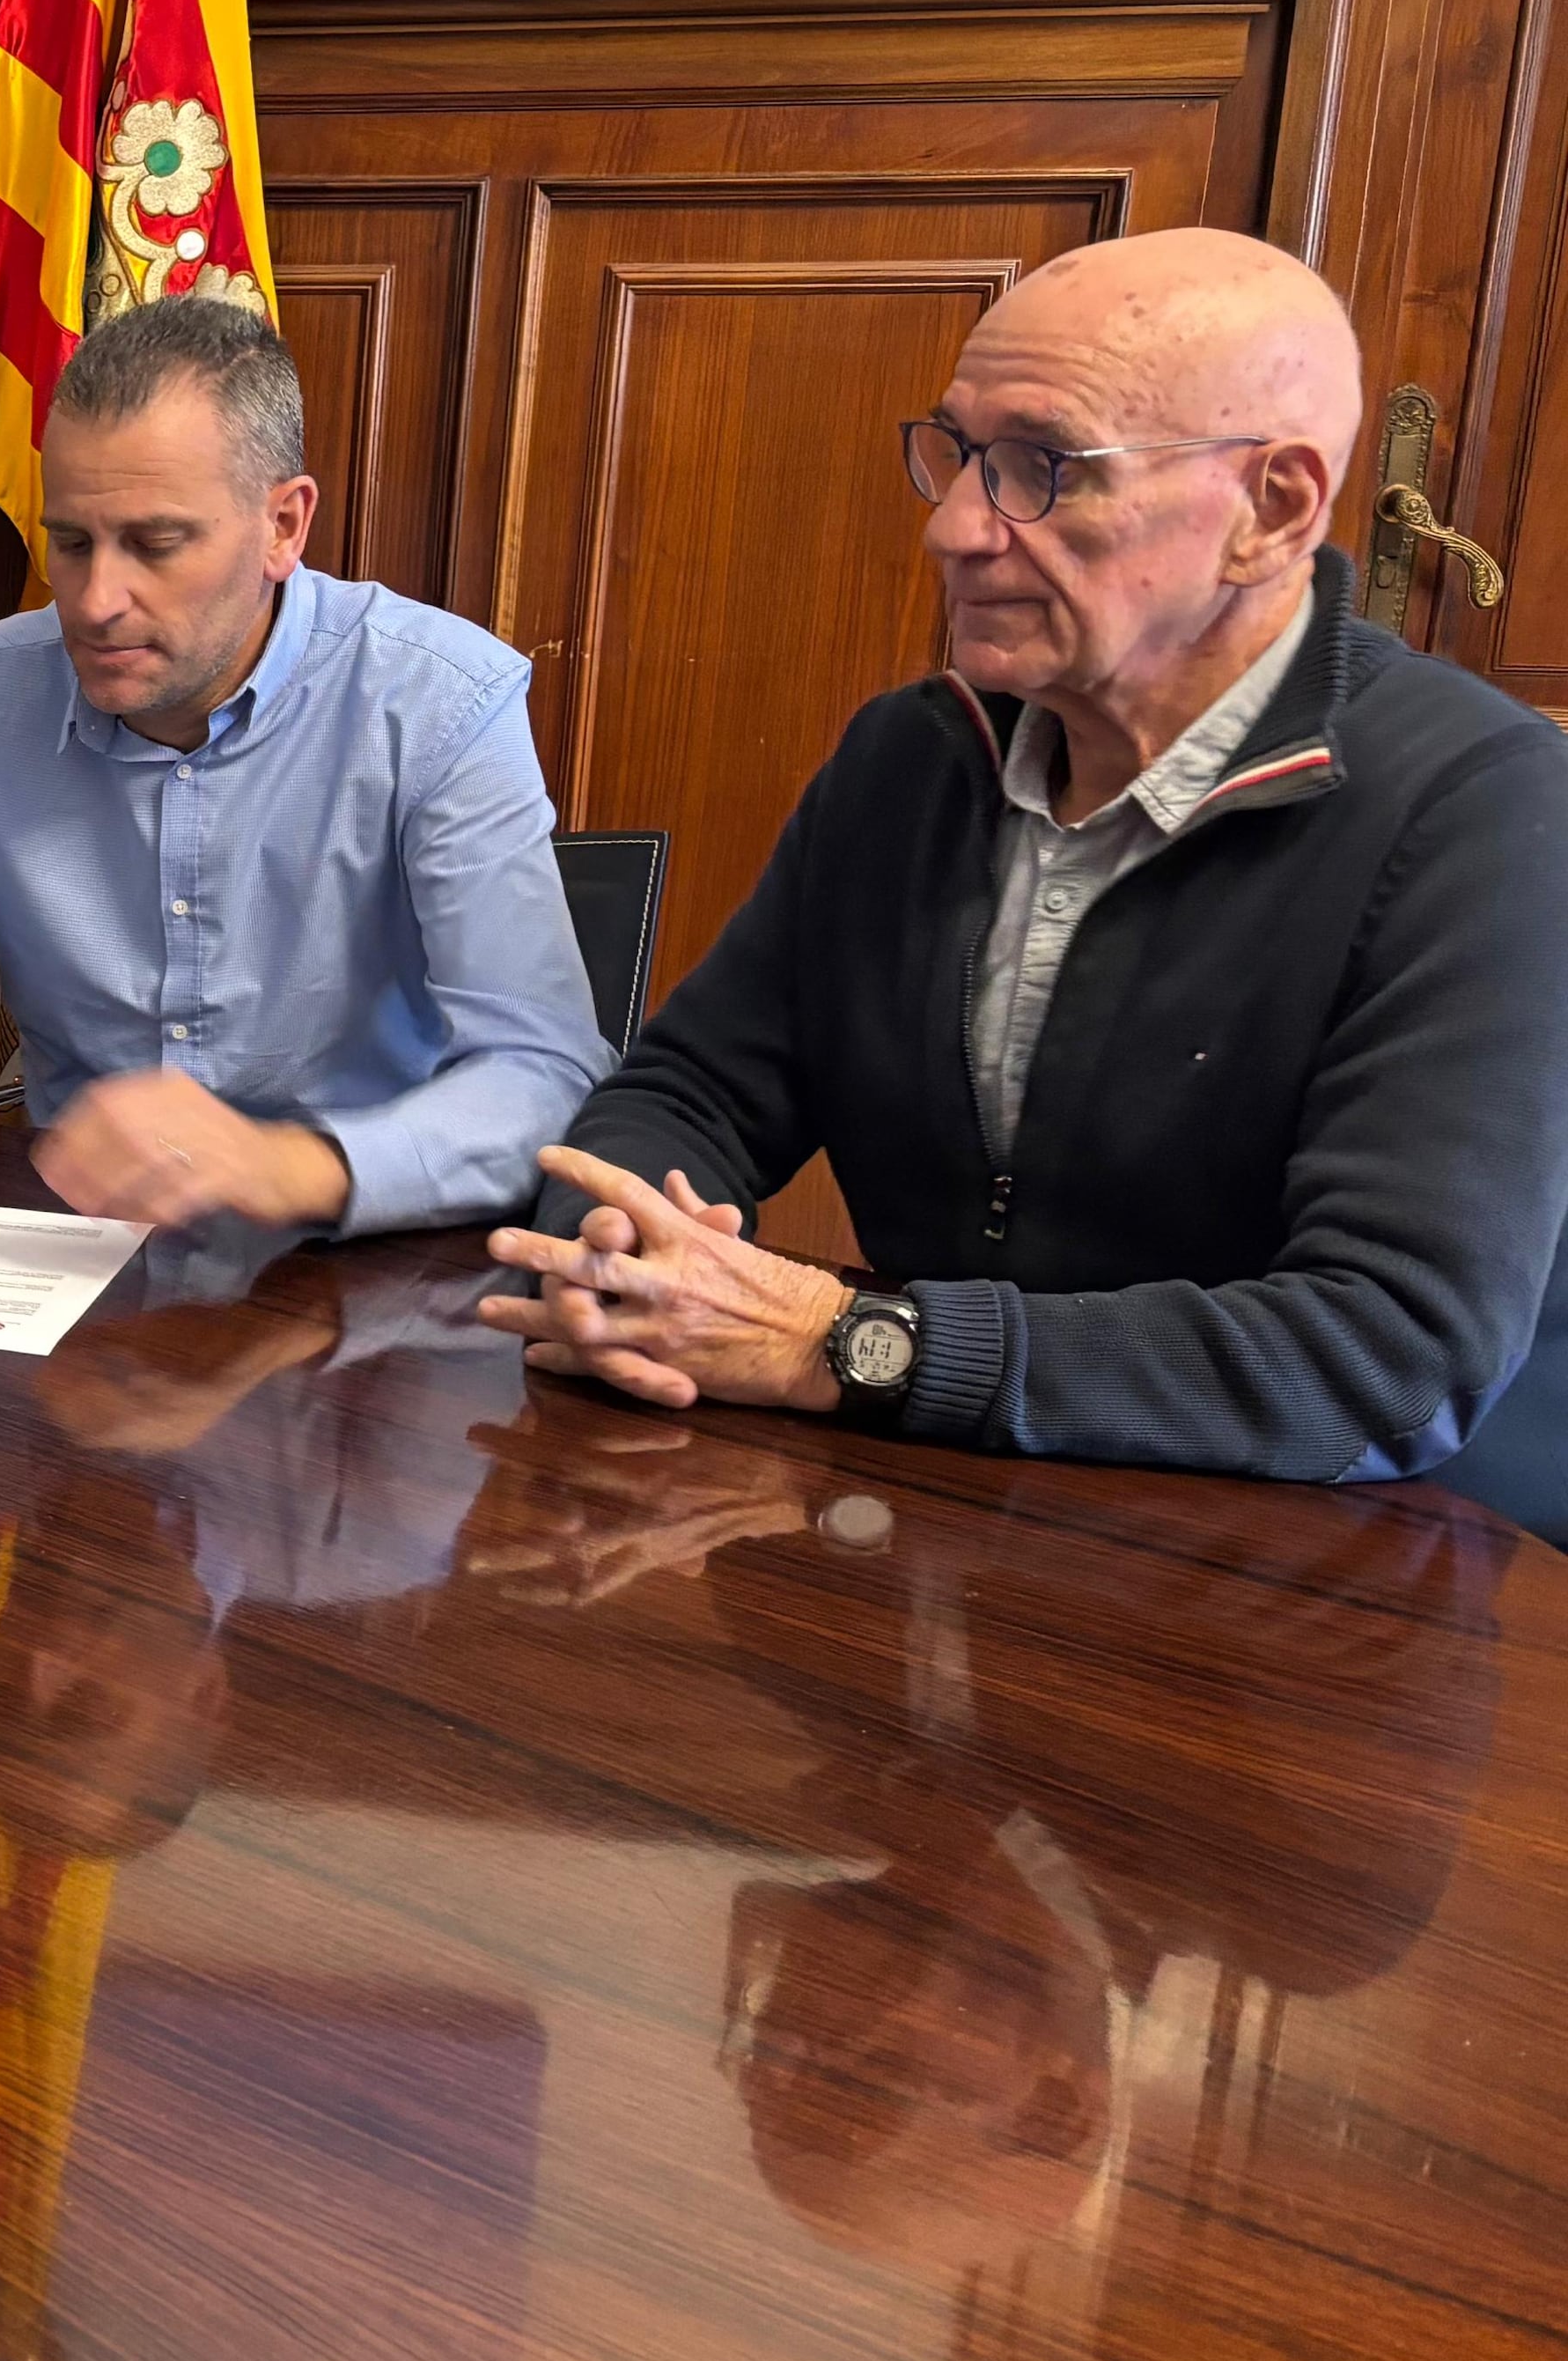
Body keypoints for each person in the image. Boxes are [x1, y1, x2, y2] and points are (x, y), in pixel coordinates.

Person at [475, 226, 1568, 1526]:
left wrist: (851, 1341)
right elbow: (691, 1086)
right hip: (940, 1526)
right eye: (958, 453)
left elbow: (1384, 1359)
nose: (953, 527)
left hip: (1337, 1586)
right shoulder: (910, 754)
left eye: (1043, 470)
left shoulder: (1484, 810)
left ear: (1272, 509)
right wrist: (628, 1252)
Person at [0, 293, 605, 1244]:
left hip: (365, 1271)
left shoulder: (439, 699)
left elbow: (542, 1076)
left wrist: (289, 1165)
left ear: (283, 525)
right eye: (69, 542)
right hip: (80, 1268)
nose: (93, 600)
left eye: (154, 544)